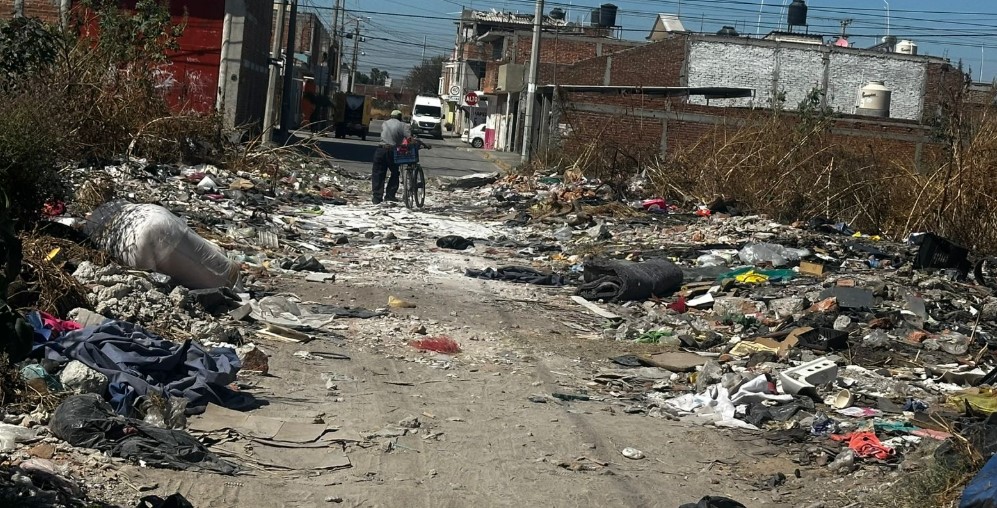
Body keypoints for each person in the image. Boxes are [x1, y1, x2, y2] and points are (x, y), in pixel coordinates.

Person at [371, 109, 412, 204]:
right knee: (394, 173)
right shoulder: (403, 125)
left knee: (378, 173)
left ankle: (377, 197)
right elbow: (409, 138)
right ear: (400, 117)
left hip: (380, 150)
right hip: (392, 151)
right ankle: (390, 195)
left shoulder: (384, 123)